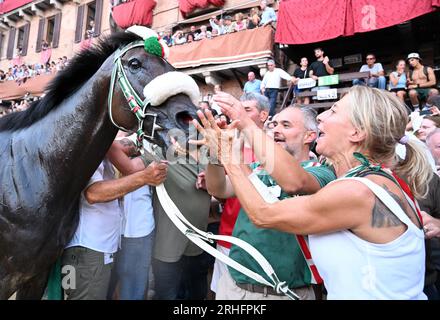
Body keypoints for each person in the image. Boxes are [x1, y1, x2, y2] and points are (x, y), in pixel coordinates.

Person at [211, 85, 432, 299]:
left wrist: (234, 145)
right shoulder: (369, 181)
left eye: (333, 111)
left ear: (357, 132)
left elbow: (264, 213)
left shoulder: (358, 191)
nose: (320, 117)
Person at [195, 104, 336, 300]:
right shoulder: (257, 168)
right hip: (234, 286)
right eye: (274, 124)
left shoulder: (321, 173)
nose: (276, 129)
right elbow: (217, 188)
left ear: (309, 136)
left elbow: (294, 182)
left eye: (286, 125)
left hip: (285, 293)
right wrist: (215, 155)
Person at [62, 153, 167, 300]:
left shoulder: (104, 148)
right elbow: (93, 193)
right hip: (86, 252)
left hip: (94, 251)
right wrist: (145, 177)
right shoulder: (93, 149)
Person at [202, 92, 269, 296]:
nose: (238, 114)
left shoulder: (274, 148)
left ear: (264, 115)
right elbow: (223, 191)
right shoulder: (229, 142)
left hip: (262, 242)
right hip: (228, 236)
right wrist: (210, 180)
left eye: (247, 110)